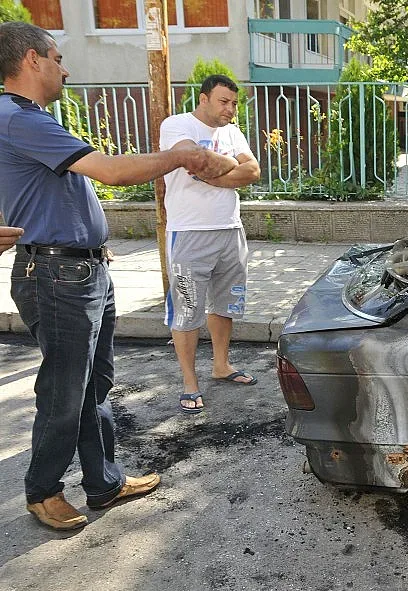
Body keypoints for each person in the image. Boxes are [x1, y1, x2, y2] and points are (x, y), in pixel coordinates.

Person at [0, 22, 238, 530]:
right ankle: (42, 491)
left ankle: (103, 483)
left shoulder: (31, 118)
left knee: (95, 383)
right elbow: (108, 170)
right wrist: (180, 156)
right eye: (57, 58)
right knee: (66, 389)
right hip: (58, 274)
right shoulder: (16, 116)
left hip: (82, 270)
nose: (65, 68)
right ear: (30, 61)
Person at [159, 75, 261, 414]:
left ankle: (222, 365)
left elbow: (253, 172)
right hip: (189, 233)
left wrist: (212, 171)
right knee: (188, 309)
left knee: (226, 304)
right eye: (224, 101)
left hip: (230, 230)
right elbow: (193, 160)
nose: (230, 109)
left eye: (234, 103)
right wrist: (226, 167)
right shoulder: (176, 125)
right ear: (203, 99)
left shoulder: (232, 132)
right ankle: (190, 382)